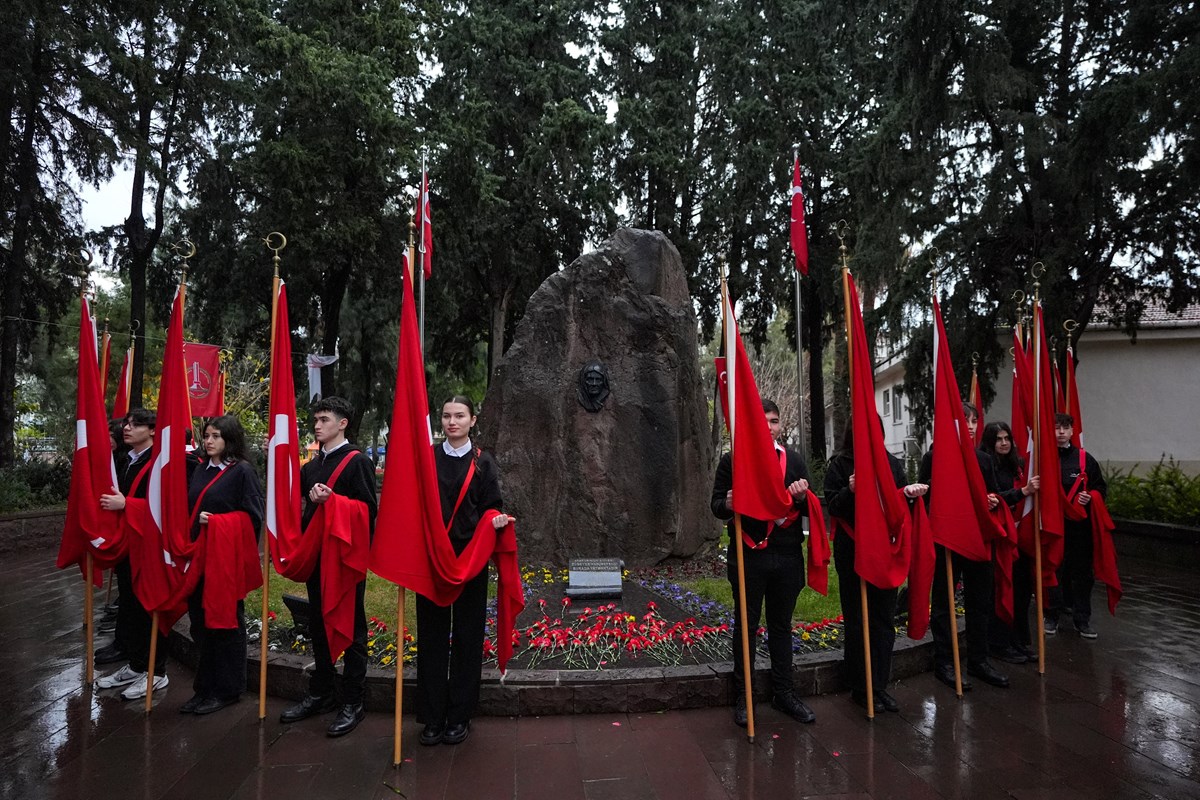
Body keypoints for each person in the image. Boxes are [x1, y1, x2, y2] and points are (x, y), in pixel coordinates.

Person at [710, 399, 816, 727]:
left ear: (780, 426)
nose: (769, 427)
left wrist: (801, 497)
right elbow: (716, 505)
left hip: (786, 556)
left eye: (774, 421)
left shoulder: (794, 461)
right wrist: (726, 502)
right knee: (747, 627)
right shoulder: (734, 461)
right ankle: (745, 696)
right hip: (748, 556)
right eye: (763, 421)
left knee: (782, 627)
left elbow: (813, 510)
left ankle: (784, 693)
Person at [279, 397, 378, 736]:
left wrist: (333, 501)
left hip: (346, 559)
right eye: (316, 419)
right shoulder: (310, 467)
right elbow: (308, 516)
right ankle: (321, 692)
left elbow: (368, 514)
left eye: (324, 419)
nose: (317, 425)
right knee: (319, 625)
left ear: (343, 423)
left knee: (352, 629)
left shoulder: (358, 462)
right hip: (318, 557)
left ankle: (353, 701)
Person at [417, 395, 513, 746]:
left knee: (468, 638)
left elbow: (491, 507)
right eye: (446, 416)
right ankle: (431, 716)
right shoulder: (428, 458)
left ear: (473, 420)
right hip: (432, 563)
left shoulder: (483, 461)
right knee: (431, 637)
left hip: (470, 561)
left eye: (459, 416)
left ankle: (459, 716)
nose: (451, 422)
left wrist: (496, 520)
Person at [825, 421, 928, 713]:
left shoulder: (891, 464)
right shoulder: (840, 465)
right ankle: (860, 686)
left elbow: (898, 509)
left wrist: (908, 495)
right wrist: (850, 490)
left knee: (883, 619)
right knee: (858, 619)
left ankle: (880, 685)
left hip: (885, 550)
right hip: (854, 551)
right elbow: (832, 506)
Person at [920, 402, 1010, 691]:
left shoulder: (983, 459)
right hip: (947, 540)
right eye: (964, 420)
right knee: (945, 603)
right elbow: (923, 499)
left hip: (977, 539)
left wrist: (993, 501)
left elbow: (993, 492)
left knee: (980, 601)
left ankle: (979, 660)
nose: (970, 425)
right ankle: (945, 661)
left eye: (974, 420)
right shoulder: (934, 458)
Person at [180, 416, 264, 715]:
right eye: (206, 436)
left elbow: (254, 517)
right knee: (201, 625)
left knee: (227, 625)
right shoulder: (201, 469)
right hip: (200, 558)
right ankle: (204, 688)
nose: (209, 441)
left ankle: (227, 690)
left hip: (225, 561)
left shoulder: (241, 472)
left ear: (230, 439)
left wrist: (217, 523)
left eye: (216, 436)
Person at [94, 409, 168, 699]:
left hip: (150, 547)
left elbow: (164, 504)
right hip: (128, 544)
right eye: (126, 423)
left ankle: (156, 671)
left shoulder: (160, 463)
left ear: (152, 430)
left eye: (136, 424)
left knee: (149, 606)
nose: (127, 428)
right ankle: (137, 665)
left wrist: (127, 504)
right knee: (130, 605)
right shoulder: (126, 460)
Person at [982, 422, 1040, 663]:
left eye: (1007, 438)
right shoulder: (986, 466)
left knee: (1022, 592)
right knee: (1002, 590)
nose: (1004, 443)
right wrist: (1023, 492)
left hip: (1020, 538)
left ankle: (1019, 640)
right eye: (998, 439)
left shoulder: (1019, 466)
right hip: (1000, 538)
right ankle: (999, 643)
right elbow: (991, 497)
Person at [1046, 413, 1106, 639]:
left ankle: (1082, 620)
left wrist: (1091, 497)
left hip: (1081, 529)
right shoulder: (1044, 459)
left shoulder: (1085, 459)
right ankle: (1052, 616)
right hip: (1054, 527)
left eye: (1065, 428)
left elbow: (1101, 488)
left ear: (1072, 431)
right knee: (1054, 570)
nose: (1061, 432)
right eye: (1056, 427)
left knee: (1083, 574)